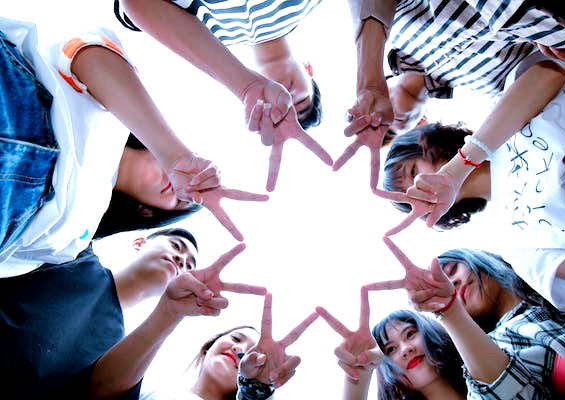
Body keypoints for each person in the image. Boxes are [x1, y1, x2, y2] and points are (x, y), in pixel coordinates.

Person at [0, 17, 269, 279]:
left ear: (147, 211)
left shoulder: (77, 236)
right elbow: (84, 52)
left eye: (179, 201)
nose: (182, 190)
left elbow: (11, 256)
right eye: (189, 186)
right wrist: (176, 156)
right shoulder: (113, 113)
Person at [377, 52, 565, 310]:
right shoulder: (513, 244)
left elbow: (552, 74)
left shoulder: (499, 112)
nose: (421, 189)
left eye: (413, 172)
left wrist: (455, 170)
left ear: (426, 144)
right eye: (412, 199)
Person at [334, 0, 565, 188]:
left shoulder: (397, 24)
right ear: (420, 124)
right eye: (393, 132)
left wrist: (370, 84)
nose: (391, 123)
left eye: (380, 122)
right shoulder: (490, 88)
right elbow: (554, 68)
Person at [0, 226, 267, 399]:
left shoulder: (117, 354)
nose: (181, 260)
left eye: (189, 265)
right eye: (176, 247)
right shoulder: (72, 255)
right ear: (139, 242)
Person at [114, 0, 333, 191]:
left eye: (279, 112)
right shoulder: (309, 4)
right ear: (309, 69)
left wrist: (246, 85)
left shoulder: (200, 34)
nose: (286, 100)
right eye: (300, 101)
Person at [366, 238, 565, 400]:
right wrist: (449, 310)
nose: (454, 284)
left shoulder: (539, 262)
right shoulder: (500, 346)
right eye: (391, 349)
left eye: (453, 271)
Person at [139, 293, 318, 400]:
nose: (239, 350)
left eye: (252, 355)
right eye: (236, 338)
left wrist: (258, 387)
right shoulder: (146, 390)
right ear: (209, 347)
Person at [317, 288, 465, 399]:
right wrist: (358, 373)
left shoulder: (483, 368)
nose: (406, 349)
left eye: (410, 334)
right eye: (391, 349)